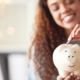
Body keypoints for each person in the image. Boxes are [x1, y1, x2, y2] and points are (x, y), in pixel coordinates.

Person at [28, 0, 80, 80]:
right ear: (49, 14)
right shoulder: (42, 47)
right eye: (55, 8)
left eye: (70, 2)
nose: (64, 10)